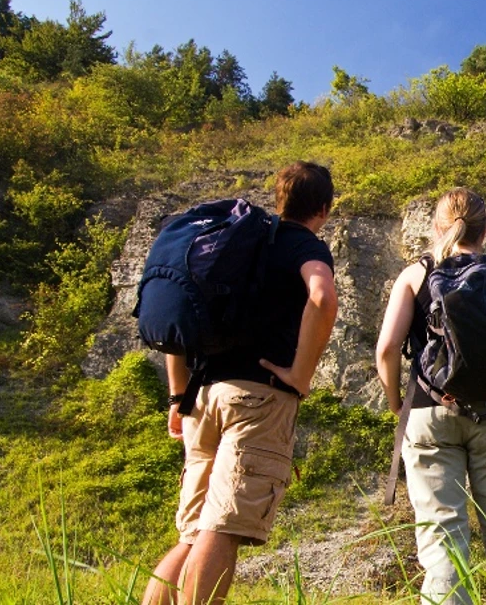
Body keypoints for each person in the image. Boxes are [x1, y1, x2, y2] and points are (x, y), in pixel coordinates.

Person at [143, 162, 340, 605]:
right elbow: (323, 297)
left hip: (201, 398)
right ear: (323, 209)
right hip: (256, 400)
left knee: (191, 534)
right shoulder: (301, 244)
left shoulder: (238, 241)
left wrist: (178, 395)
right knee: (224, 528)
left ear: (279, 198)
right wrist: (300, 375)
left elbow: (179, 318)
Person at [375, 188, 486, 605]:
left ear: (436, 226)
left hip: (429, 411)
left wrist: (399, 405)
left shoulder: (415, 275)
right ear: (484, 231)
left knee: (443, 541)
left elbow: (385, 350)